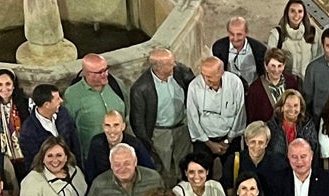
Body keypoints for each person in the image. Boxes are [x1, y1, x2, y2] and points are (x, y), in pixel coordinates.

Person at [129, 48, 194, 188]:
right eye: (170, 63)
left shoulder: (179, 73)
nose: (175, 65)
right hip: (159, 133)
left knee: (185, 165)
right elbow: (137, 121)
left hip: (182, 129)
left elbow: (193, 84)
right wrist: (148, 142)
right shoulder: (140, 88)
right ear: (158, 67)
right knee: (164, 170)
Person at [186, 56, 247, 178]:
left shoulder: (235, 83)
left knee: (232, 175)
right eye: (203, 75)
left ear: (221, 73)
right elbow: (192, 117)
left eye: (210, 76)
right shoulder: (194, 86)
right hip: (204, 140)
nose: (205, 80)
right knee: (202, 175)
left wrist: (228, 141)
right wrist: (209, 143)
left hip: (230, 138)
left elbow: (240, 113)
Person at [63, 53, 128, 160]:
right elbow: (69, 128)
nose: (105, 74)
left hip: (120, 152)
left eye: (106, 69)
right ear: (86, 74)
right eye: (100, 72)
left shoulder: (117, 85)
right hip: (93, 155)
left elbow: (127, 112)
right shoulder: (72, 95)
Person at [0, 68, 30, 181]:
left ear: (14, 85)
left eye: (8, 84)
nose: (4, 89)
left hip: (26, 157)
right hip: (1, 159)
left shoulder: (26, 104)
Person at [83, 110, 156, 185]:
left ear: (123, 126)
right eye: (107, 125)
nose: (112, 130)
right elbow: (90, 173)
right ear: (103, 127)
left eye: (116, 125)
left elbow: (149, 171)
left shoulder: (135, 145)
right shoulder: (96, 143)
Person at [19, 84, 80, 170]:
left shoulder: (63, 113)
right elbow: (32, 162)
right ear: (47, 105)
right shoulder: (28, 130)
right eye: (57, 99)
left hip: (69, 168)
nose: (61, 101)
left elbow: (74, 142)